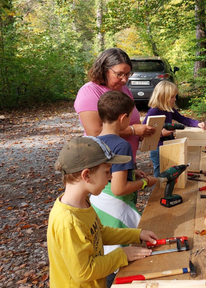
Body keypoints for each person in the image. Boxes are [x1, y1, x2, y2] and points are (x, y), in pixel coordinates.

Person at [48, 136, 158, 288]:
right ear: (86, 175)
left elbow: (99, 232)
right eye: (107, 171)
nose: (111, 176)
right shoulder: (68, 222)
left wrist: (137, 234)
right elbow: (84, 272)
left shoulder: (83, 203)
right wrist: (122, 254)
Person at [91, 91, 157, 256]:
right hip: (116, 207)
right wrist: (145, 182)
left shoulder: (94, 141)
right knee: (121, 253)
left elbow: (106, 170)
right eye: (129, 117)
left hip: (98, 204)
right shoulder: (121, 145)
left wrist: (131, 171)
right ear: (123, 118)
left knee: (105, 250)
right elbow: (118, 189)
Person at [74, 48, 155, 161]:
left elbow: (131, 121)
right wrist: (133, 130)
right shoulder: (89, 91)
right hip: (103, 164)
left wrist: (143, 132)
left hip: (126, 160)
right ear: (104, 70)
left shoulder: (125, 90)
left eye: (128, 74)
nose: (124, 79)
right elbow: (95, 133)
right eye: (119, 74)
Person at [143, 81, 206, 177]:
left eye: (175, 96)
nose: (175, 99)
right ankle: (158, 191)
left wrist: (197, 123)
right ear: (163, 97)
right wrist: (161, 134)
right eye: (172, 97)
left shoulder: (169, 109)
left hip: (169, 145)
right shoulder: (154, 111)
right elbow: (144, 131)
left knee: (170, 172)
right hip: (158, 149)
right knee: (160, 175)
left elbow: (182, 119)